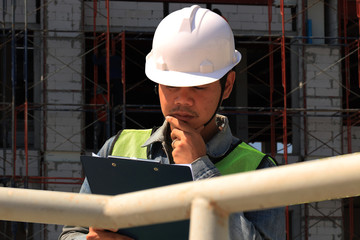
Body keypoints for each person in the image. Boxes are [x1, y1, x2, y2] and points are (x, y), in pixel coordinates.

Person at [59, 5, 285, 240]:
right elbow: (72, 233)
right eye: (171, 85)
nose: (182, 100)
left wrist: (200, 169)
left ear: (227, 86)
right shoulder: (117, 147)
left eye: (199, 87)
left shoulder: (258, 170)